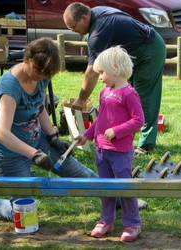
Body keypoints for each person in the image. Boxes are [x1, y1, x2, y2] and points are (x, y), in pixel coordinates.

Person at [0, 37, 97, 221]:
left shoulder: (42, 77)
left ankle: (119, 199)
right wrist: (34, 154)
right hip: (8, 153)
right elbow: (2, 132)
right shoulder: (9, 87)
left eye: (46, 75)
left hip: (38, 140)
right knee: (25, 216)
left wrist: (53, 135)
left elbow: (39, 108)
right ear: (27, 59)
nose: (42, 78)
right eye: (39, 72)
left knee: (81, 173)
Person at [63, 2, 166, 154]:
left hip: (150, 48)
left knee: (144, 98)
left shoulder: (98, 32)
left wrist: (81, 100)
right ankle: (124, 136)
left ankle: (146, 145)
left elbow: (92, 72)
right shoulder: (95, 13)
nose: (75, 32)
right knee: (122, 95)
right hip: (133, 52)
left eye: (74, 27)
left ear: (84, 18)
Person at [77, 46, 144, 242]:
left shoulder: (129, 94)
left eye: (102, 72)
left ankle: (132, 223)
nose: (100, 77)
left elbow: (138, 120)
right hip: (101, 150)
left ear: (115, 68)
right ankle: (106, 220)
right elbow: (101, 120)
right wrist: (87, 135)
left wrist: (117, 131)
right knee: (105, 186)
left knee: (124, 187)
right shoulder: (104, 92)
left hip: (120, 152)